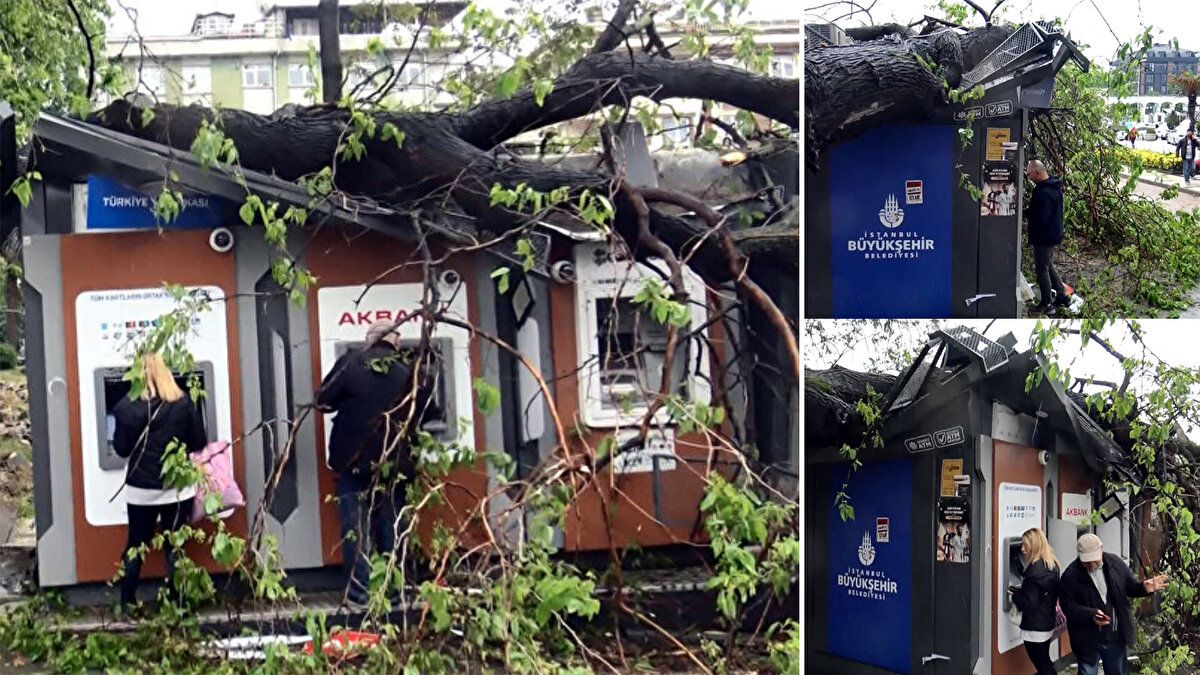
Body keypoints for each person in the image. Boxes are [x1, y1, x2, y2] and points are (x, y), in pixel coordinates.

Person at [316, 321, 437, 604]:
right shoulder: (410, 370)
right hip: (395, 462)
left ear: (369, 341)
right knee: (391, 527)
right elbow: (429, 411)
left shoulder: (350, 362)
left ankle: (359, 594)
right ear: (396, 342)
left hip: (353, 461)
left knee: (355, 528)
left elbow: (323, 400)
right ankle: (393, 593)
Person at [111, 352, 208, 613]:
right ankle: (178, 606)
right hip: (177, 487)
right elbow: (199, 442)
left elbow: (120, 449)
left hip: (141, 489)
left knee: (136, 545)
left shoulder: (126, 407)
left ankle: (126, 604)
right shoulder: (183, 403)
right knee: (175, 546)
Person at [1059, 533, 1169, 675]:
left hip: (1115, 635)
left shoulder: (1115, 563)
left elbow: (1130, 586)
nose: (1092, 564)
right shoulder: (1070, 575)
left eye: (1095, 560)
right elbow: (1068, 606)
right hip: (1087, 639)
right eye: (1087, 561)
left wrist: (1144, 588)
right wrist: (1090, 614)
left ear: (1101, 550)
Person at [1009, 528, 1061, 675]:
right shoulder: (1051, 565)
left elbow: (1028, 602)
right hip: (1046, 622)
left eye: (1025, 545)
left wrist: (1015, 595)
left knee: (1042, 665)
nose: (1022, 549)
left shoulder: (1034, 573)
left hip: (1034, 628)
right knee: (1045, 661)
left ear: (1035, 546)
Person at [1023, 160, 1069, 315]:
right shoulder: (1052, 186)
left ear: (1037, 172)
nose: (1028, 177)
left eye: (1029, 174)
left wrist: (1027, 215)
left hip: (1044, 236)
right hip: (1052, 233)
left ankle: (1046, 303)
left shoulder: (1044, 192)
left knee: (1041, 269)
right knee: (1048, 265)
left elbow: (1041, 217)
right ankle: (1062, 296)